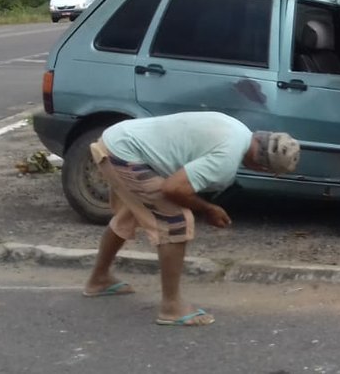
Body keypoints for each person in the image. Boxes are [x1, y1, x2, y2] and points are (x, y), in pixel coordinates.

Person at [81, 111, 300, 326]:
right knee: (176, 221)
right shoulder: (227, 159)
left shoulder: (237, 128)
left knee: (131, 214)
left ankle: (99, 279)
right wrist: (208, 209)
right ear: (262, 167)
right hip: (123, 153)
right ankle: (171, 307)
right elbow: (173, 188)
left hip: (116, 139)